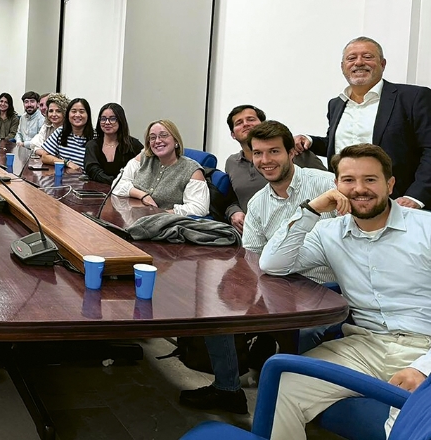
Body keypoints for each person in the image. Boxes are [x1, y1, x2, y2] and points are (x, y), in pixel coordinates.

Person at [260, 143, 431, 440]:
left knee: (408, 428)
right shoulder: (330, 232)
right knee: (282, 384)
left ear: (389, 185)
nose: (359, 189)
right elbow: (273, 264)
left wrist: (425, 369)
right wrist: (312, 210)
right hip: (363, 346)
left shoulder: (425, 228)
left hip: (425, 347)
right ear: (336, 185)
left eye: (370, 179)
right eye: (348, 180)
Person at [180, 120, 335, 414]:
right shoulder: (260, 203)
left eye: (274, 151)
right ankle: (228, 390)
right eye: (258, 153)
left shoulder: (325, 184)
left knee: (298, 335)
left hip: (324, 289)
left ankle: (290, 406)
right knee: (216, 310)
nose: (265, 161)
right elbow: (252, 260)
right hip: (277, 284)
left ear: (291, 152)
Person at [294, 36, 431, 208]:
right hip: (346, 205)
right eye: (351, 58)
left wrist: (416, 196)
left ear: (383, 64)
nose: (358, 62)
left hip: (397, 205)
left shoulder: (413, 98)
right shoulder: (336, 104)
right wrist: (310, 140)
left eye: (367, 57)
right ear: (343, 67)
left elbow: (429, 149)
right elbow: (341, 145)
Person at [224, 105, 326, 233]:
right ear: (233, 134)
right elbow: (232, 198)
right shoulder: (231, 163)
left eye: (251, 119)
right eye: (239, 122)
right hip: (257, 233)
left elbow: (328, 184)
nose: (245, 124)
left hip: (304, 231)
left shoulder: (296, 151)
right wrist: (233, 212)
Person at [112, 119, 209, 216]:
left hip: (165, 225)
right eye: (153, 138)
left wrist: (160, 214)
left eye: (163, 135)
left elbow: (199, 208)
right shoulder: (144, 157)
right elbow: (116, 185)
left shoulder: (192, 170)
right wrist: (143, 195)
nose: (157, 141)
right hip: (132, 216)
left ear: (176, 140)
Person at [84, 103, 144, 184]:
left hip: (128, 192)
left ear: (120, 120)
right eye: (103, 119)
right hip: (97, 192)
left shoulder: (133, 145)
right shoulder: (92, 145)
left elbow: (145, 168)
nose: (107, 122)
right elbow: (92, 170)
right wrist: (116, 183)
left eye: (112, 119)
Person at [39, 98, 94, 170]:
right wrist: (67, 163)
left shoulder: (95, 136)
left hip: (88, 180)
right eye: (73, 111)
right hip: (64, 179)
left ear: (88, 115)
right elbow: (45, 157)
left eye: (81, 112)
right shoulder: (60, 132)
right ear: (68, 114)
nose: (77, 115)